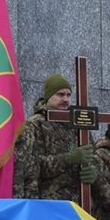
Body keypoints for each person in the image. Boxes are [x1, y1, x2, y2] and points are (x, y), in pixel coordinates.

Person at [13, 74, 83, 202]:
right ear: (48, 97)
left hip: (78, 201)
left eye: (68, 95)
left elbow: (93, 155)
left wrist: (93, 172)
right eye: (60, 95)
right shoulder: (36, 124)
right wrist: (68, 159)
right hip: (49, 199)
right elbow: (34, 166)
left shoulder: (77, 123)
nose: (66, 99)